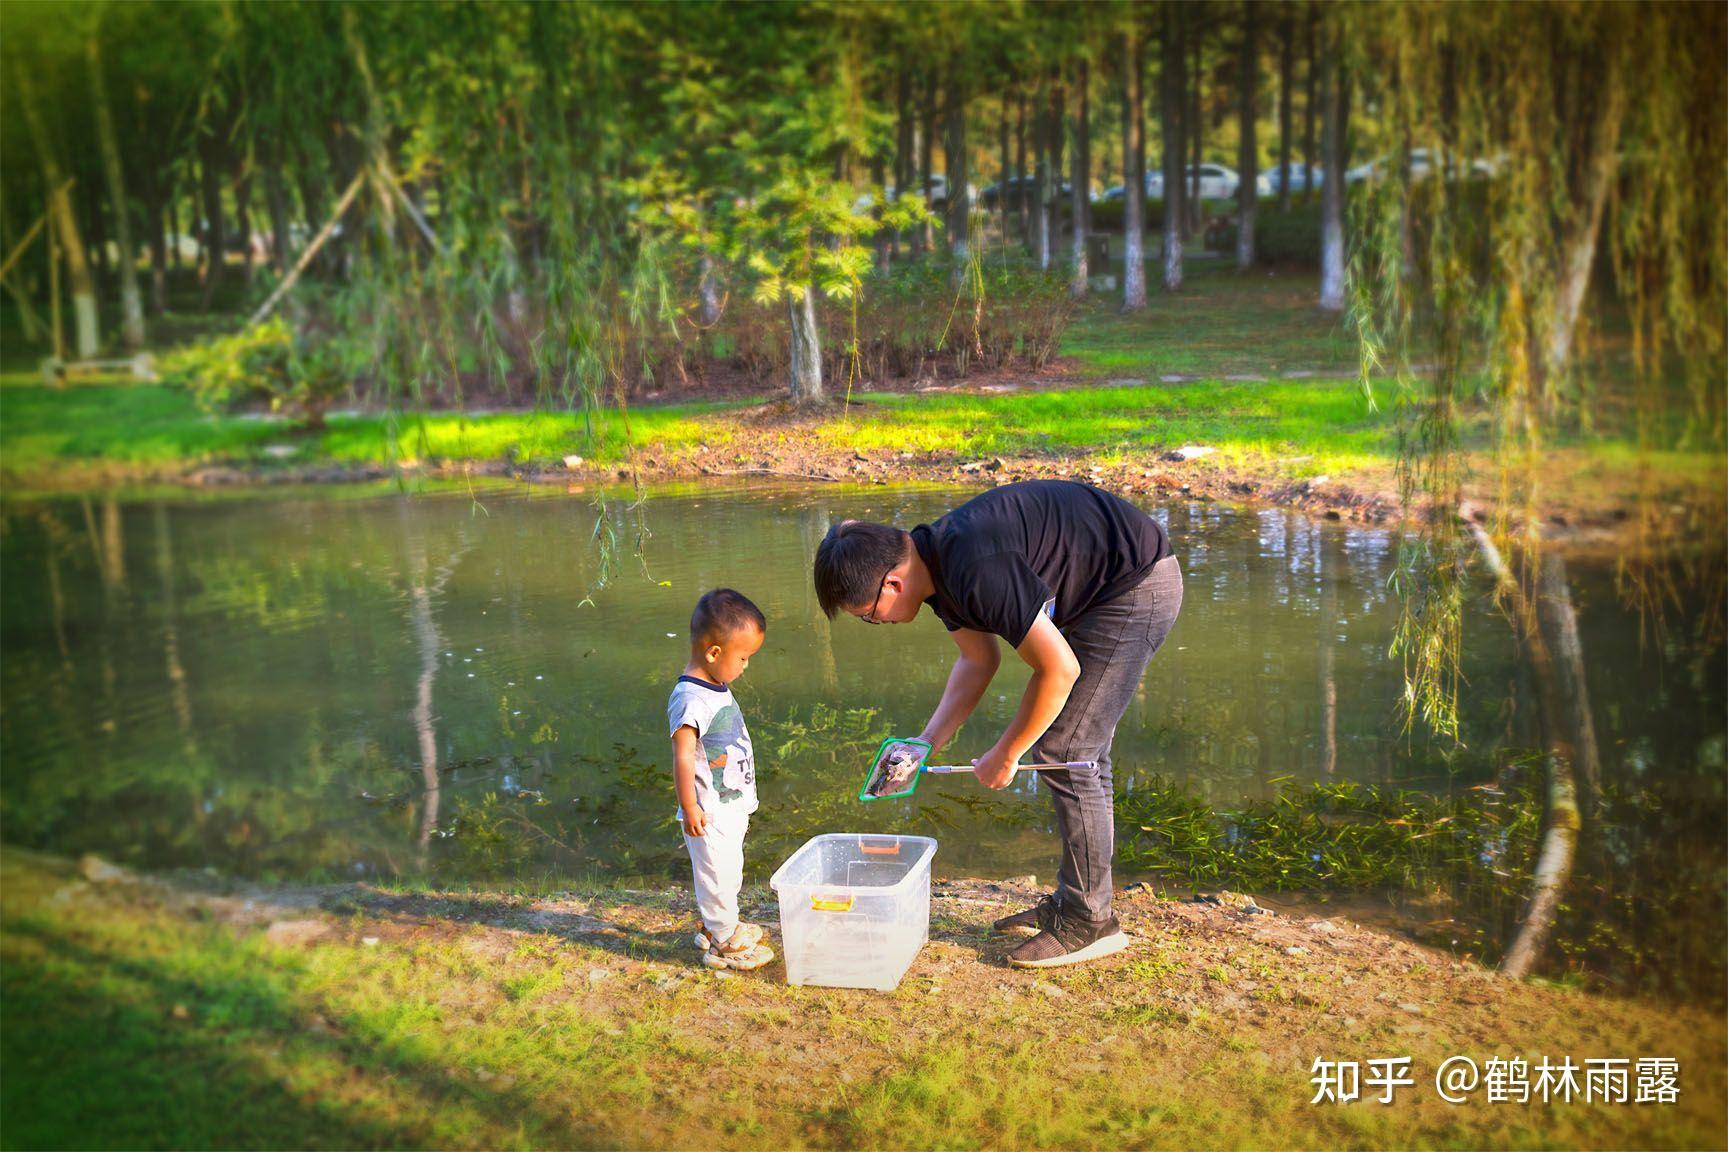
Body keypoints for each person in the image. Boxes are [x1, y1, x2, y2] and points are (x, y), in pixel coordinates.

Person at [814, 480, 1183, 969]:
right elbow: (977, 660)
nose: (875, 624)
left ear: (892, 584)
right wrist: (926, 742)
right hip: (1102, 586)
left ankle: (1089, 922)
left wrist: (1007, 753)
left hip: (1134, 585)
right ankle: (1078, 900)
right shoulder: (936, 568)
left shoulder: (975, 567)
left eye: (869, 616)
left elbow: (1059, 669)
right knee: (1078, 748)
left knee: (1065, 749)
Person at [669, 588, 775, 971]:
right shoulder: (690, 699)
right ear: (714, 652)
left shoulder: (714, 686)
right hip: (708, 811)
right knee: (716, 872)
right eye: (743, 657)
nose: (746, 666)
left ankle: (720, 925)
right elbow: (682, 754)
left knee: (730, 869)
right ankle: (723, 941)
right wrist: (689, 805)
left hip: (728, 804)